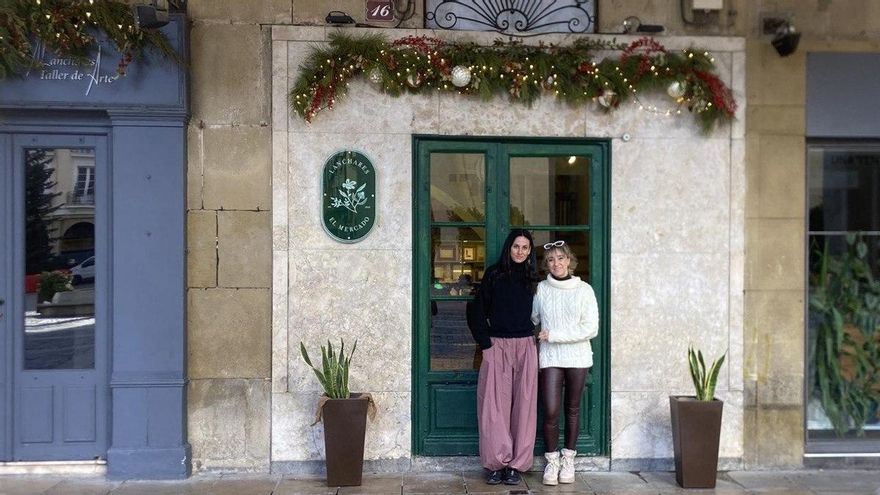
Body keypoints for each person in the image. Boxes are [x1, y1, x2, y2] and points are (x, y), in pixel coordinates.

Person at [466, 229, 539, 486]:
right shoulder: (494, 275)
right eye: (516, 246)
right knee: (494, 407)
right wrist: (486, 344)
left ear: (530, 252)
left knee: (524, 407)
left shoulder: (534, 279)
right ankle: (496, 463)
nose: (520, 251)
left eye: (525, 247)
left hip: (525, 346)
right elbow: (475, 310)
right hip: (497, 345)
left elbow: (544, 313)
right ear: (509, 247)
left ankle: (516, 465)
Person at [530, 240, 599, 486]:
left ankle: (568, 459)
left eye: (560, 258)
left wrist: (554, 335)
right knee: (550, 410)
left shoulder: (584, 290)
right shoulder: (541, 289)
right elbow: (533, 318)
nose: (556, 263)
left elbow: (590, 328)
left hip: (578, 357)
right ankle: (551, 460)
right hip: (550, 357)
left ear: (569, 260)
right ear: (546, 264)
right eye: (550, 260)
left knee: (572, 409)